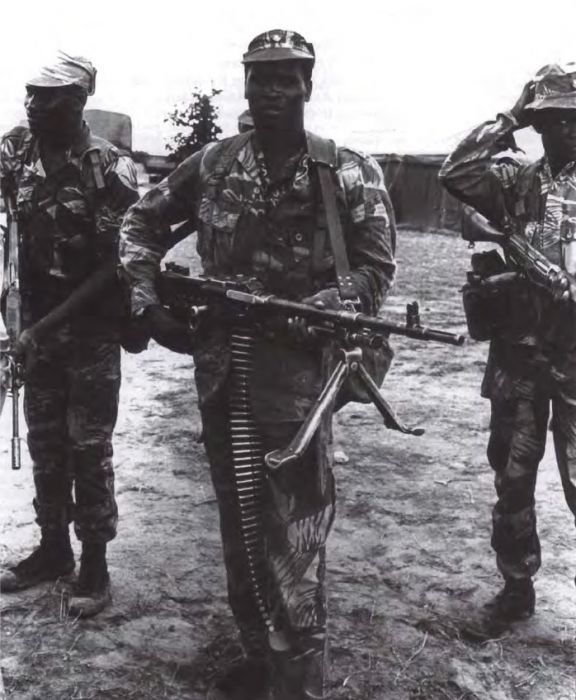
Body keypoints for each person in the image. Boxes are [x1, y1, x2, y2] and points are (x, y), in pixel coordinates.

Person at [120, 29, 396, 700]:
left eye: (286, 79)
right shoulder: (213, 164)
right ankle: (259, 654)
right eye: (260, 78)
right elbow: (139, 224)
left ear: (308, 83)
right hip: (222, 366)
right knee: (241, 521)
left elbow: (377, 263)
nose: (272, 91)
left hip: (299, 379)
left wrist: (337, 297)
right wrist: (145, 302)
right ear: (245, 84)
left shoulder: (345, 170)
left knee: (295, 532)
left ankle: (300, 676)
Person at [0, 52, 140, 618]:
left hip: (89, 330)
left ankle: (96, 567)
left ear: (77, 102)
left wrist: (42, 327)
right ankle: (52, 549)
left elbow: (116, 268)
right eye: (29, 94)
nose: (31, 104)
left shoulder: (110, 169)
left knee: (88, 447)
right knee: (45, 442)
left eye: (46, 97)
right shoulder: (15, 151)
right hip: (34, 328)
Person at [439, 63, 576, 624]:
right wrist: (510, 117)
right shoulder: (515, 178)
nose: (562, 130)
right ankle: (517, 586)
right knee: (513, 478)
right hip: (518, 355)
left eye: (571, 119)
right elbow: (455, 170)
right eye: (548, 120)